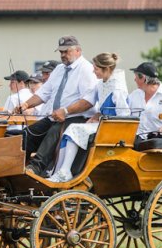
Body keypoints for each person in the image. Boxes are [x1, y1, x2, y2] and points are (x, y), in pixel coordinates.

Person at [15, 35, 97, 177]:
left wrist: (65, 111)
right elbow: (43, 94)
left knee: (54, 132)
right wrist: (26, 104)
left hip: (77, 117)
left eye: (66, 51)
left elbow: (88, 101)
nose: (63, 55)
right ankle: (15, 169)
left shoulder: (86, 70)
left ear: (78, 50)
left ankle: (35, 169)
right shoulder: (59, 69)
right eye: (61, 52)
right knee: (26, 135)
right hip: (56, 116)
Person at [48, 52, 130, 182]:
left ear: (106, 69)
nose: (93, 71)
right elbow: (93, 102)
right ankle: (60, 171)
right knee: (69, 131)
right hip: (103, 124)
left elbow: (124, 115)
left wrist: (101, 118)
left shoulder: (117, 88)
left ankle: (65, 172)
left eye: (96, 69)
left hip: (112, 129)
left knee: (74, 129)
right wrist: (97, 114)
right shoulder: (102, 84)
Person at [127, 62, 162, 139]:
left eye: (136, 77)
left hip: (157, 140)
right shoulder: (134, 95)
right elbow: (125, 115)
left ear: (143, 78)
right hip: (134, 139)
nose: (134, 80)